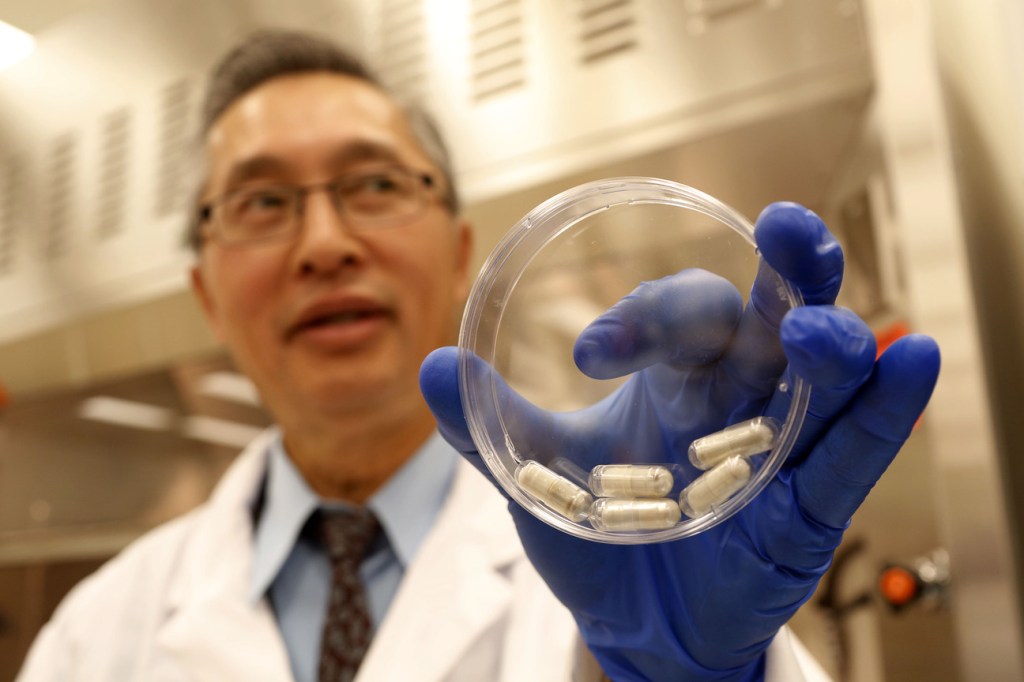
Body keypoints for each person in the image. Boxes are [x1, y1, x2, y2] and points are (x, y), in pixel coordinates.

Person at [17, 29, 940, 682]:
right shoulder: (95, 637)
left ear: (461, 255)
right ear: (205, 292)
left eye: (374, 184)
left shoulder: (613, 537)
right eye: (262, 203)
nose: (324, 243)